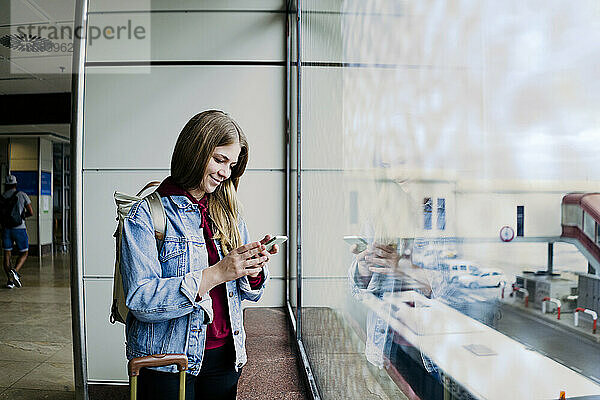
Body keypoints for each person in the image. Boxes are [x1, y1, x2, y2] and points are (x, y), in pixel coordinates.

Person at [120, 110, 279, 400]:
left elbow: (248, 293)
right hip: (167, 363)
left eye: (231, 164)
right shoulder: (146, 214)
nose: (225, 173)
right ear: (194, 152)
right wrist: (218, 272)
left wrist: (251, 269)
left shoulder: (229, 212)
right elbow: (141, 300)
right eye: (219, 160)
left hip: (225, 357)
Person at [1, 174, 33, 289]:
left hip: (6, 229)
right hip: (20, 228)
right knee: (24, 253)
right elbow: (31, 212)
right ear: (15, 184)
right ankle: (15, 271)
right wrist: (22, 216)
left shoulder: (2, 197)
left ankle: (9, 281)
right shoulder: (22, 195)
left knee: (7, 255)